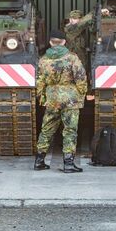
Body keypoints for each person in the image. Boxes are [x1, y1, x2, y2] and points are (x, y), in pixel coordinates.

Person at [34, 29, 88, 173]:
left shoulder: (43, 59)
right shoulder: (72, 58)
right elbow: (81, 78)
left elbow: (40, 82)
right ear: (64, 42)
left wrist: (43, 97)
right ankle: (69, 163)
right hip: (70, 99)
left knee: (46, 129)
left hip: (52, 99)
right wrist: (81, 94)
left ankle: (39, 161)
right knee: (70, 130)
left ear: (51, 42)